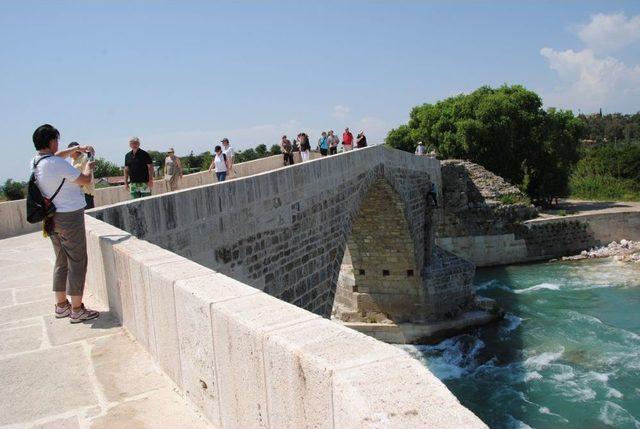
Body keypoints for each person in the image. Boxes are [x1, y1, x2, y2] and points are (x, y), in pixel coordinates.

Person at [31, 124, 100, 323]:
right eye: (56, 140)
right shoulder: (56, 164)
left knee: (61, 260)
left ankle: (61, 305)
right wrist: (88, 164)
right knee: (77, 261)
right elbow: (85, 180)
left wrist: (76, 148)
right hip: (69, 216)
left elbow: (58, 155)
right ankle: (77, 309)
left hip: (51, 217)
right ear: (52, 141)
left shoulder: (36, 162)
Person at [67, 142, 95, 209]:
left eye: (71, 150)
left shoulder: (84, 159)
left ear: (76, 151)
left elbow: (86, 175)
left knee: (87, 215)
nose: (69, 152)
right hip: (76, 193)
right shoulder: (72, 161)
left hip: (86, 193)